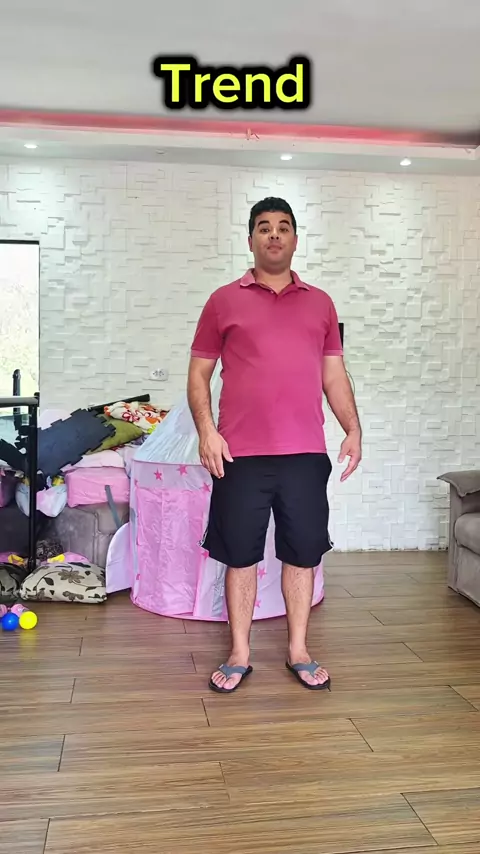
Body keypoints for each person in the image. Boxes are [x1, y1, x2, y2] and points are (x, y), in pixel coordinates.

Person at [187, 197, 361, 694]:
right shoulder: (223, 300)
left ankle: (298, 650)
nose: (274, 235)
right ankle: (239, 653)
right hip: (239, 454)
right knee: (240, 556)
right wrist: (207, 431)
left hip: (305, 454)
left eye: (284, 227)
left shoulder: (320, 303)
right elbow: (199, 374)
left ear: (295, 240)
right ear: (251, 240)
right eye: (264, 227)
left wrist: (352, 427)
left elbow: (334, 374)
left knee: (302, 554)